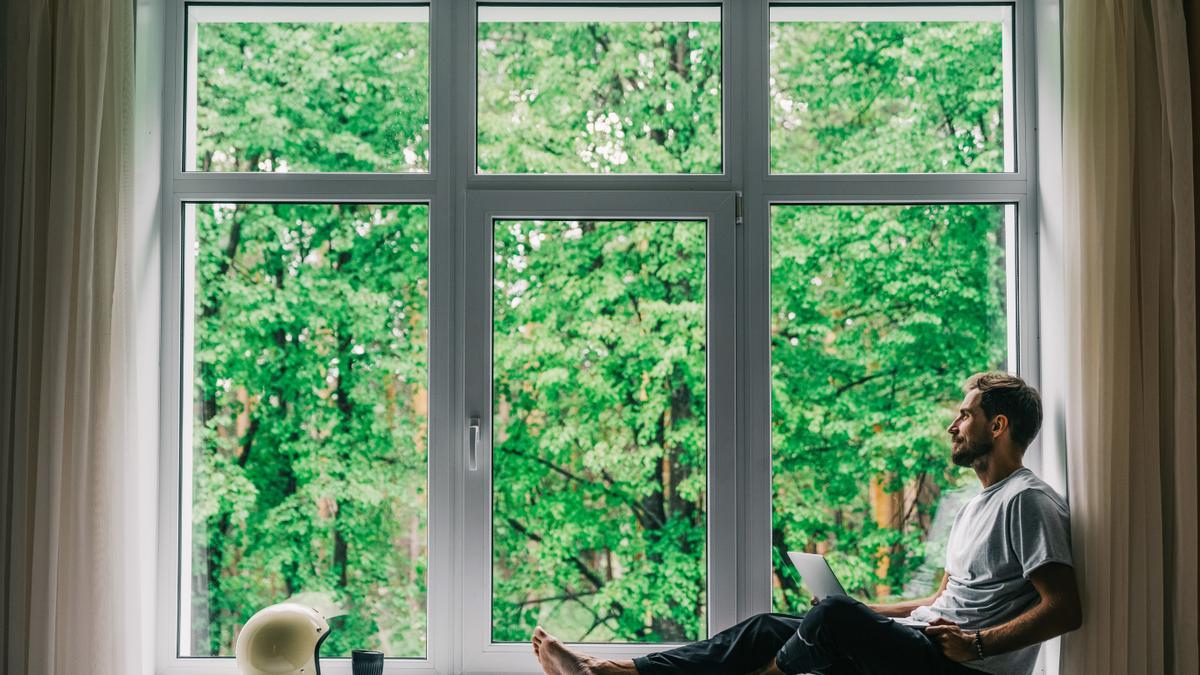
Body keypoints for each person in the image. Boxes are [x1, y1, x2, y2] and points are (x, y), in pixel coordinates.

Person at [530, 372, 1082, 675]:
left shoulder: (1028, 501)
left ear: (999, 425)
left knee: (831, 619)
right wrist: (862, 612)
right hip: (924, 644)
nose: (952, 425)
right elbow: (941, 597)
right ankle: (613, 672)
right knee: (772, 625)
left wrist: (979, 645)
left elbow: (1064, 607)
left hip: (962, 668)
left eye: (965, 414)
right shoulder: (974, 504)